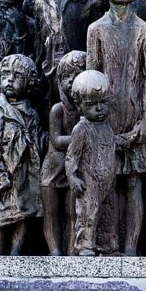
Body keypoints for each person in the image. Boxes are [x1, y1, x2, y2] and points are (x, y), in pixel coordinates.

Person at [87, 0, 146, 256]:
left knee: (134, 183)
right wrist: (94, 122)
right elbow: (91, 77)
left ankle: (130, 247)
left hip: (136, 116)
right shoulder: (96, 30)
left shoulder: (145, 30)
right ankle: (109, 243)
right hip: (105, 119)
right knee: (108, 182)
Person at [0, 54, 46, 256]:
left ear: (29, 82)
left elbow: (37, 141)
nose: (10, 80)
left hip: (23, 176)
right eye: (6, 75)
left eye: (18, 76)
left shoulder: (31, 113)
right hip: (0, 175)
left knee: (21, 213)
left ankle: (16, 251)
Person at [65, 70, 117, 256]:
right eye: (91, 104)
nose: (99, 108)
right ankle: (85, 244)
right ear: (80, 106)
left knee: (108, 213)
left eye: (103, 102)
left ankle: (107, 244)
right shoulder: (81, 129)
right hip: (89, 180)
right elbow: (72, 156)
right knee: (88, 212)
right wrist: (72, 176)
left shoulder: (107, 127)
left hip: (108, 180)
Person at [41, 50, 86, 256]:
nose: (71, 81)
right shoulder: (57, 110)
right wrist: (81, 138)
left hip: (73, 169)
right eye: (66, 77)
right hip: (53, 169)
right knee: (51, 212)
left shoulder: (85, 112)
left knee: (72, 212)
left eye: (76, 76)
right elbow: (56, 140)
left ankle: (71, 249)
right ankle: (54, 250)